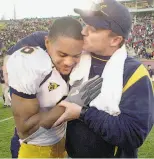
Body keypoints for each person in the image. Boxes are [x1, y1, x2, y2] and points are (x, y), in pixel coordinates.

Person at [53, 0, 154, 158]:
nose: (84, 32)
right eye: (84, 25)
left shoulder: (134, 73)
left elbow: (133, 134)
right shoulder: (76, 59)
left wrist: (82, 113)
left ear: (115, 40)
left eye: (92, 29)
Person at [7, 17, 102, 158]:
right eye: (62, 54)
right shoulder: (31, 64)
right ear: (47, 43)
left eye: (75, 55)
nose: (69, 62)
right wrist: (70, 103)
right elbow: (25, 129)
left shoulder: (82, 62)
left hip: (61, 145)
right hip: (32, 149)